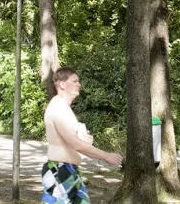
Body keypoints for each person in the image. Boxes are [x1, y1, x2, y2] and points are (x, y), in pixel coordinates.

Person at [41, 66, 121, 204]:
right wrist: (107, 156)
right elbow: (76, 144)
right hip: (59, 171)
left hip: (71, 170)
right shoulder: (58, 107)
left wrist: (84, 139)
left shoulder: (65, 108)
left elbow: (74, 142)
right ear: (62, 84)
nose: (79, 84)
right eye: (75, 81)